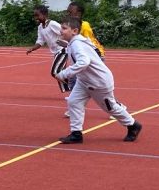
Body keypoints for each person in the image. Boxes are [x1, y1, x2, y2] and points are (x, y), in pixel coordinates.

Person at [55, 16, 141, 145]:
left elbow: (84, 61)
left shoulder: (77, 43)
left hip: (99, 83)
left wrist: (64, 74)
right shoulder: (76, 42)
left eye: (64, 28)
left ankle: (133, 125)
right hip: (84, 81)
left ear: (74, 31)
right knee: (73, 102)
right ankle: (76, 134)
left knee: (111, 108)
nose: (61, 30)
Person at [26, 4, 71, 94]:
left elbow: (65, 32)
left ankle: (73, 85)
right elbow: (40, 41)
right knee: (59, 72)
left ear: (45, 15)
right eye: (35, 15)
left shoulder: (52, 24)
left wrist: (64, 41)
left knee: (55, 72)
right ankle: (71, 91)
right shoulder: (40, 27)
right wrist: (32, 48)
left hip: (63, 50)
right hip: (56, 53)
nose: (36, 18)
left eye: (37, 15)